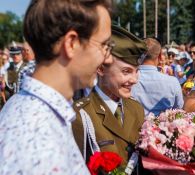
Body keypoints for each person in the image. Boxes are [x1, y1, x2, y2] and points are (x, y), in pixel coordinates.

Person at [0, 0, 113, 174]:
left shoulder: (33, 110)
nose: (109, 59)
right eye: (104, 45)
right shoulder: (38, 141)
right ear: (71, 44)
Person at [72, 25, 146, 167]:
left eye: (136, 71)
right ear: (100, 68)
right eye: (126, 71)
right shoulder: (81, 115)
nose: (135, 79)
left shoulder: (136, 108)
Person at [131, 37, 184, 116]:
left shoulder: (129, 80)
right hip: (163, 127)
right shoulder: (173, 81)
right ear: (160, 56)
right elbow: (179, 109)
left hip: (135, 126)